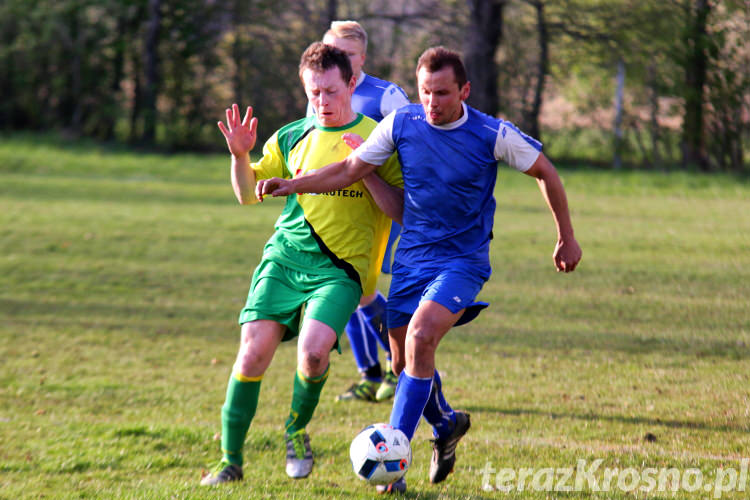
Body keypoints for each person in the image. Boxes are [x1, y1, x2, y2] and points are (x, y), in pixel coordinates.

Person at [255, 46, 583, 494]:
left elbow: (547, 171)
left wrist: (565, 235)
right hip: (411, 258)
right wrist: (293, 184)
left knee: (421, 336)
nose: (431, 102)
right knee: (405, 359)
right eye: (425, 91)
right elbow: (351, 168)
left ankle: (394, 465)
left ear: (464, 90)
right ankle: (445, 425)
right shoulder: (402, 123)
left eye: (443, 93)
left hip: (462, 260)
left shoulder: (491, 133)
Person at [200, 42, 403, 486]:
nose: (322, 103)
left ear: (351, 83)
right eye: (313, 93)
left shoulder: (381, 136)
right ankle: (229, 463)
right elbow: (245, 193)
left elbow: (401, 210)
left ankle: (295, 429)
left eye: (330, 92)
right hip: (284, 259)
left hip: (342, 269)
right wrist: (239, 156)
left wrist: (364, 167)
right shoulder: (292, 135)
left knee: (313, 354)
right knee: (252, 353)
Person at [313, 20, 410, 404]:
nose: (340, 61)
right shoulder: (319, 94)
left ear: (362, 57)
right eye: (333, 53)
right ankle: (370, 375)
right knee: (345, 289)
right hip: (333, 210)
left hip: (376, 207)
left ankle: (396, 364)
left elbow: (412, 147)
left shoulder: (387, 96)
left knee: (361, 291)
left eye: (348, 55)